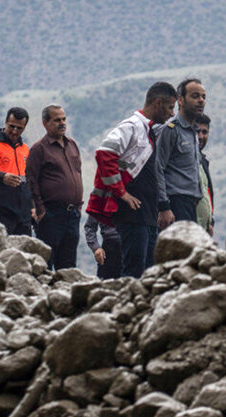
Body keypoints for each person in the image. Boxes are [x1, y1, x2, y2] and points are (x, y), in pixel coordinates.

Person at [87, 82, 176, 278]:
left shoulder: (150, 130)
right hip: (132, 214)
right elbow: (104, 152)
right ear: (158, 103)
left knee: (148, 270)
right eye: (170, 107)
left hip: (147, 213)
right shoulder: (132, 126)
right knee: (134, 270)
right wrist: (121, 192)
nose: (171, 114)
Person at [27, 104, 85, 271]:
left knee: (68, 265)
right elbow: (31, 180)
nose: (62, 123)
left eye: (64, 119)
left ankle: (66, 295)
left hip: (72, 214)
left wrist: (79, 206)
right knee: (46, 263)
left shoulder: (72, 144)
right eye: (57, 120)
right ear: (45, 123)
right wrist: (40, 209)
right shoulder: (39, 149)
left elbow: (78, 173)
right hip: (51, 215)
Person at [154, 78, 206, 224]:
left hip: (192, 203)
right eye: (195, 96)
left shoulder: (193, 131)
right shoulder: (171, 129)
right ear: (181, 100)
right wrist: (164, 206)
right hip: (176, 202)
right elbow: (158, 168)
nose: (201, 101)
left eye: (203, 97)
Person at [0, 107, 34, 236]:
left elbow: (29, 180)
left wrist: (33, 206)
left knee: (24, 252)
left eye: (19, 128)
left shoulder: (25, 149)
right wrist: (2, 176)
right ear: (5, 123)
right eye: (12, 126)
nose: (15, 131)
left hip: (23, 213)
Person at [195, 113, 215, 235]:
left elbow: (207, 193)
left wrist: (211, 222)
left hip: (204, 230)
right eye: (197, 131)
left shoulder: (203, 161)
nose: (201, 136)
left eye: (204, 132)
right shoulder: (182, 160)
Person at [84, 213, 120, 279]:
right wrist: (96, 247)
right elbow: (90, 226)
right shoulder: (101, 202)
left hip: (132, 245)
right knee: (105, 283)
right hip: (110, 246)